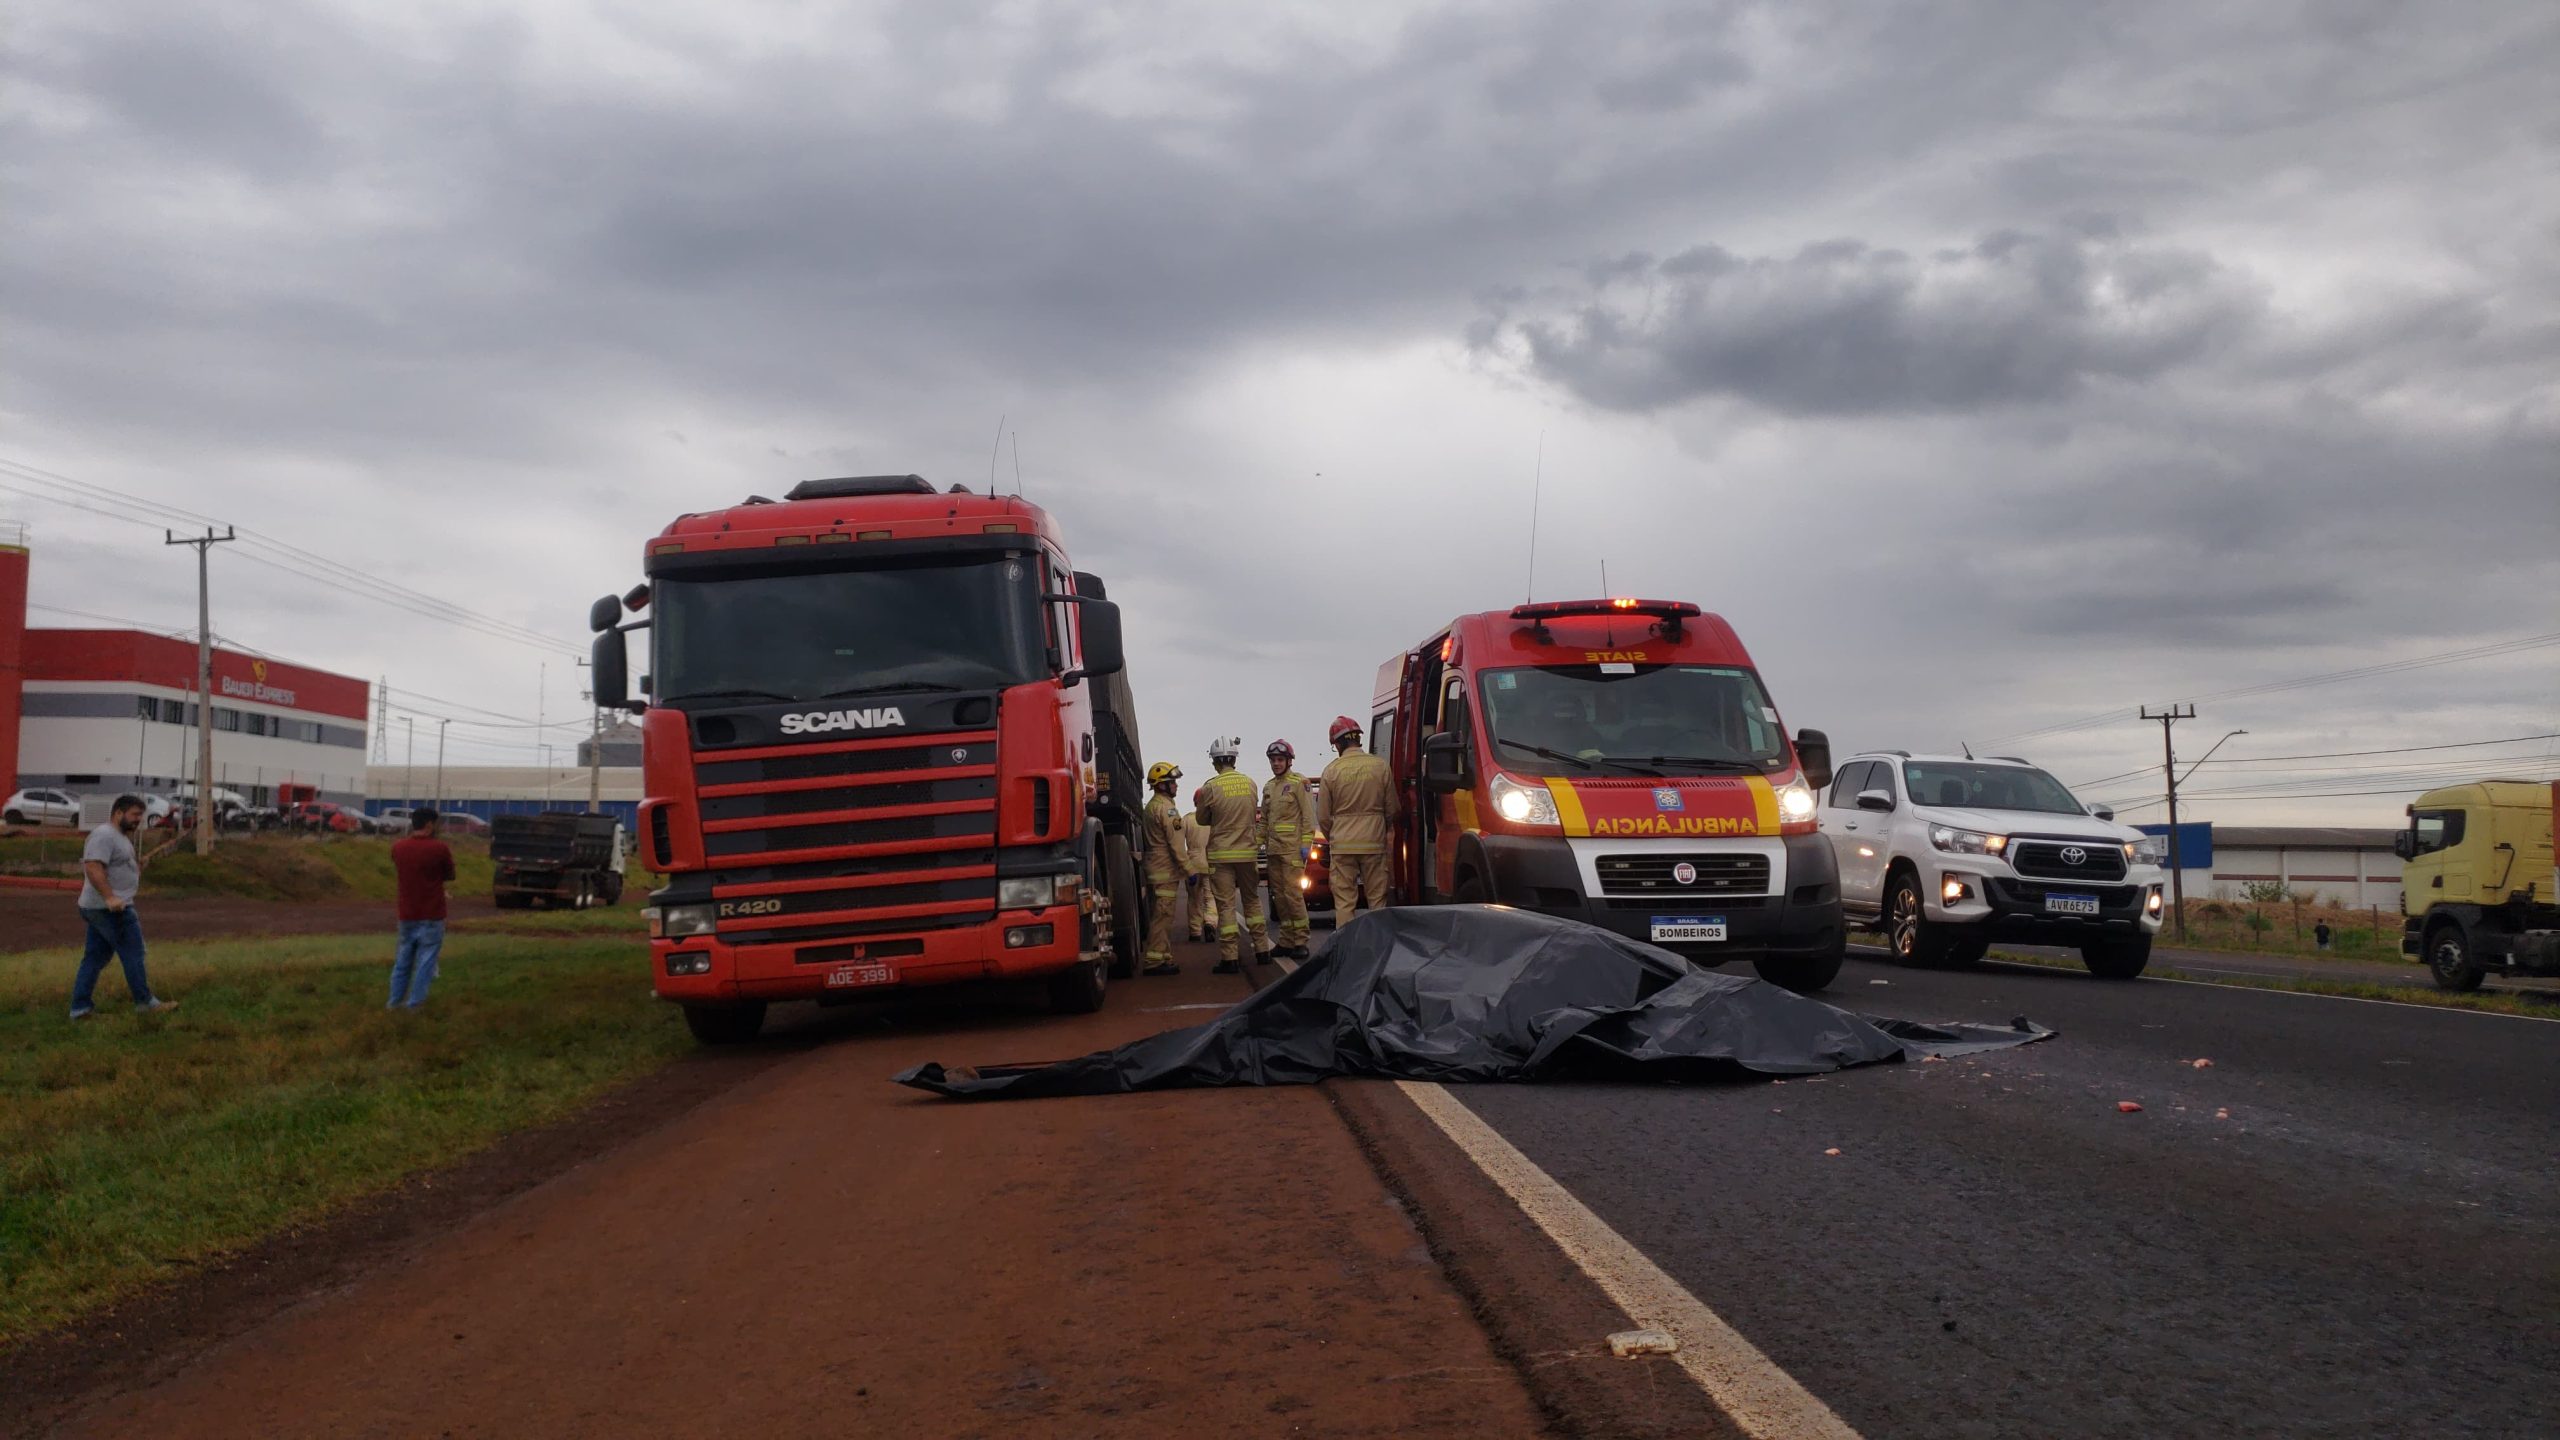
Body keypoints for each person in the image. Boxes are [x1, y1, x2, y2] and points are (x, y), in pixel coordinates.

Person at [72, 794, 182, 1019]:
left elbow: (116, 865)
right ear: (118, 813)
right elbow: (93, 867)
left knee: (94, 958)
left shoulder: (120, 837)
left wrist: (136, 865)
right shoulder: (104, 835)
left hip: (102, 907)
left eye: (141, 815)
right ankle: (145, 1002)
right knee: (134, 952)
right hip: (110, 909)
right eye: (134, 815)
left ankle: (80, 1009)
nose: (138, 820)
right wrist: (110, 898)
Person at [1193, 736, 1270, 973]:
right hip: (1247, 854)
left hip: (1221, 856)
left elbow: (1201, 819)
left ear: (1215, 762)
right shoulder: (1250, 784)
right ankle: (1262, 950)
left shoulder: (1211, 787)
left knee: (1225, 905)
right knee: (1252, 901)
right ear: (1234, 759)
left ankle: (1230, 958)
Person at [1318, 716, 1397, 922]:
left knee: (1344, 903)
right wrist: (1380, 828)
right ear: (1357, 739)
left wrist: (1335, 836)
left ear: (1337, 743)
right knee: (1377, 901)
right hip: (1373, 844)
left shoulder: (1331, 771)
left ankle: (1346, 949)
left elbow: (1324, 817)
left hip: (1343, 846)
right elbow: (1392, 808)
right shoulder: (1380, 766)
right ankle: (1378, 949)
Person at [388, 807, 457, 1009]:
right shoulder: (440, 848)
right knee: (426, 960)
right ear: (429, 825)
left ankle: (394, 1002)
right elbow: (450, 874)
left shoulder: (398, 847)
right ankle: (415, 1003)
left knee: (402, 960)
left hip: (407, 912)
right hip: (432, 913)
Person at [1261, 739, 1319, 960]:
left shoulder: (1298, 783)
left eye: (1279, 760)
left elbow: (1307, 817)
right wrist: (1257, 842)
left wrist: (1306, 845)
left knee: (1294, 896)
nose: (1276, 764)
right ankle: (1285, 940)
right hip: (1274, 850)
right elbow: (1264, 820)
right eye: (1273, 760)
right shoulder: (1268, 787)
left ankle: (1301, 940)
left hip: (1292, 850)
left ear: (1288, 761)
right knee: (1280, 897)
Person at [1139, 763, 1187, 976]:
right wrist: (1189, 870)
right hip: (1165, 870)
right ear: (1162, 786)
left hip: (1155, 868)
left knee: (1160, 914)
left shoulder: (1151, 806)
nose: (1176, 786)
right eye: (1172, 782)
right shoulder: (1166, 809)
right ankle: (1154, 961)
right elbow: (1176, 844)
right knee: (1163, 915)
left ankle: (1163, 956)